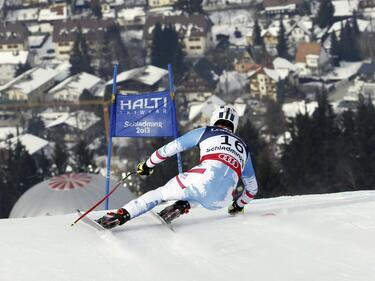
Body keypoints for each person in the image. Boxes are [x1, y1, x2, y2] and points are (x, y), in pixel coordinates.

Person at [96, 105, 259, 229]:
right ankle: (181, 206)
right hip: (222, 199)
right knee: (198, 192)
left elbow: (168, 149)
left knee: (160, 193)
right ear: (234, 125)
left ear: (214, 119)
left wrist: (147, 165)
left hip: (203, 178)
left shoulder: (206, 132)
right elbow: (252, 189)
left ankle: (120, 215)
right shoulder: (244, 148)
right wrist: (237, 206)